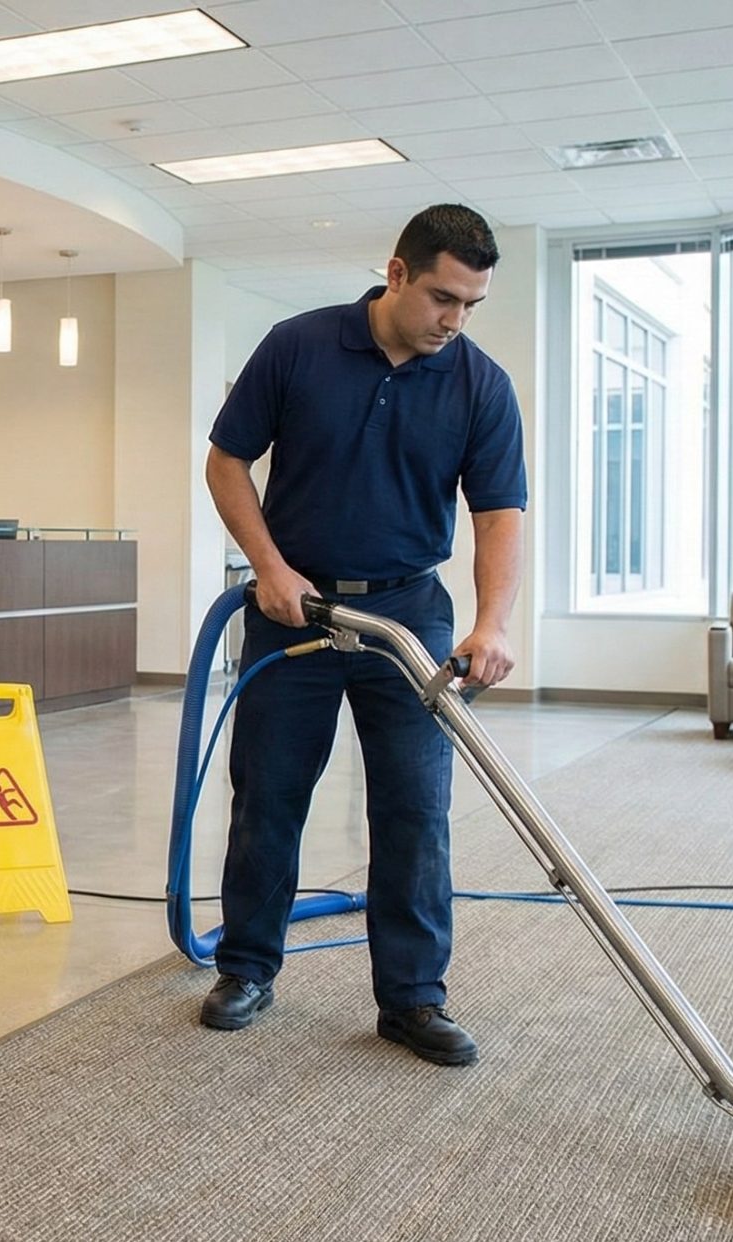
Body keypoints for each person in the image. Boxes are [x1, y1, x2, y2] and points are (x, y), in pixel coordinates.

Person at [198, 204, 526, 1066]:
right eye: (443, 298)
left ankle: (413, 999)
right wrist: (268, 568)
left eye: (471, 305)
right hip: (293, 610)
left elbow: (498, 514)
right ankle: (247, 967)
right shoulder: (298, 345)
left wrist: (492, 621)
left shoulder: (479, 384)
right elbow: (226, 462)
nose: (454, 321)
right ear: (397, 273)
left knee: (416, 808)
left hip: (409, 615)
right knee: (268, 794)